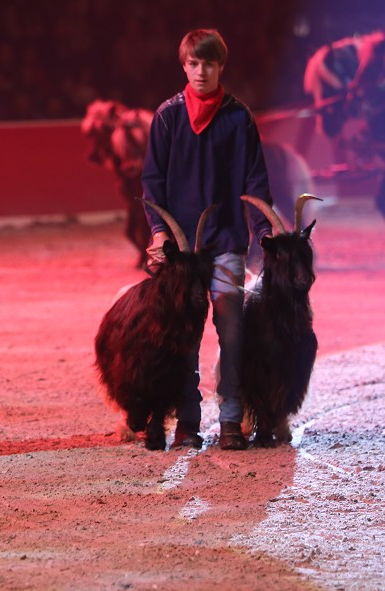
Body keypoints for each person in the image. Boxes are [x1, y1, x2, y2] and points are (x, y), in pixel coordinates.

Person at [141, 28, 273, 451]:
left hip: (225, 245)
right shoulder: (167, 117)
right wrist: (159, 232)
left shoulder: (238, 118)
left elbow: (255, 182)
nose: (201, 72)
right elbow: (152, 183)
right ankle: (187, 421)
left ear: (221, 67)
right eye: (194, 64)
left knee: (232, 328)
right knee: (184, 334)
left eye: (209, 64)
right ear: (184, 66)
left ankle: (232, 418)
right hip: (181, 254)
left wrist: (265, 234)